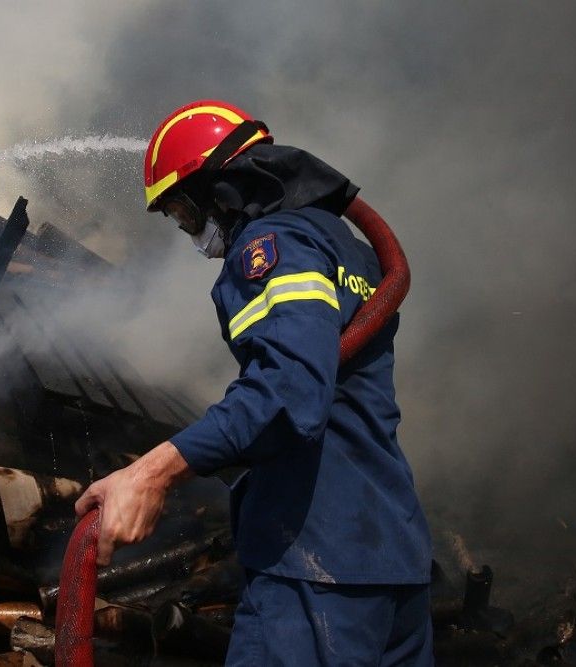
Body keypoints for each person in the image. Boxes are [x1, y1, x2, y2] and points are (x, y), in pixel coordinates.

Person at [74, 100, 433, 665]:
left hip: (315, 562)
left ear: (221, 193)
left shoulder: (272, 245)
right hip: (393, 555)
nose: (190, 233)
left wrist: (151, 472)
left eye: (184, 214)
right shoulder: (348, 250)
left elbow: (290, 392)